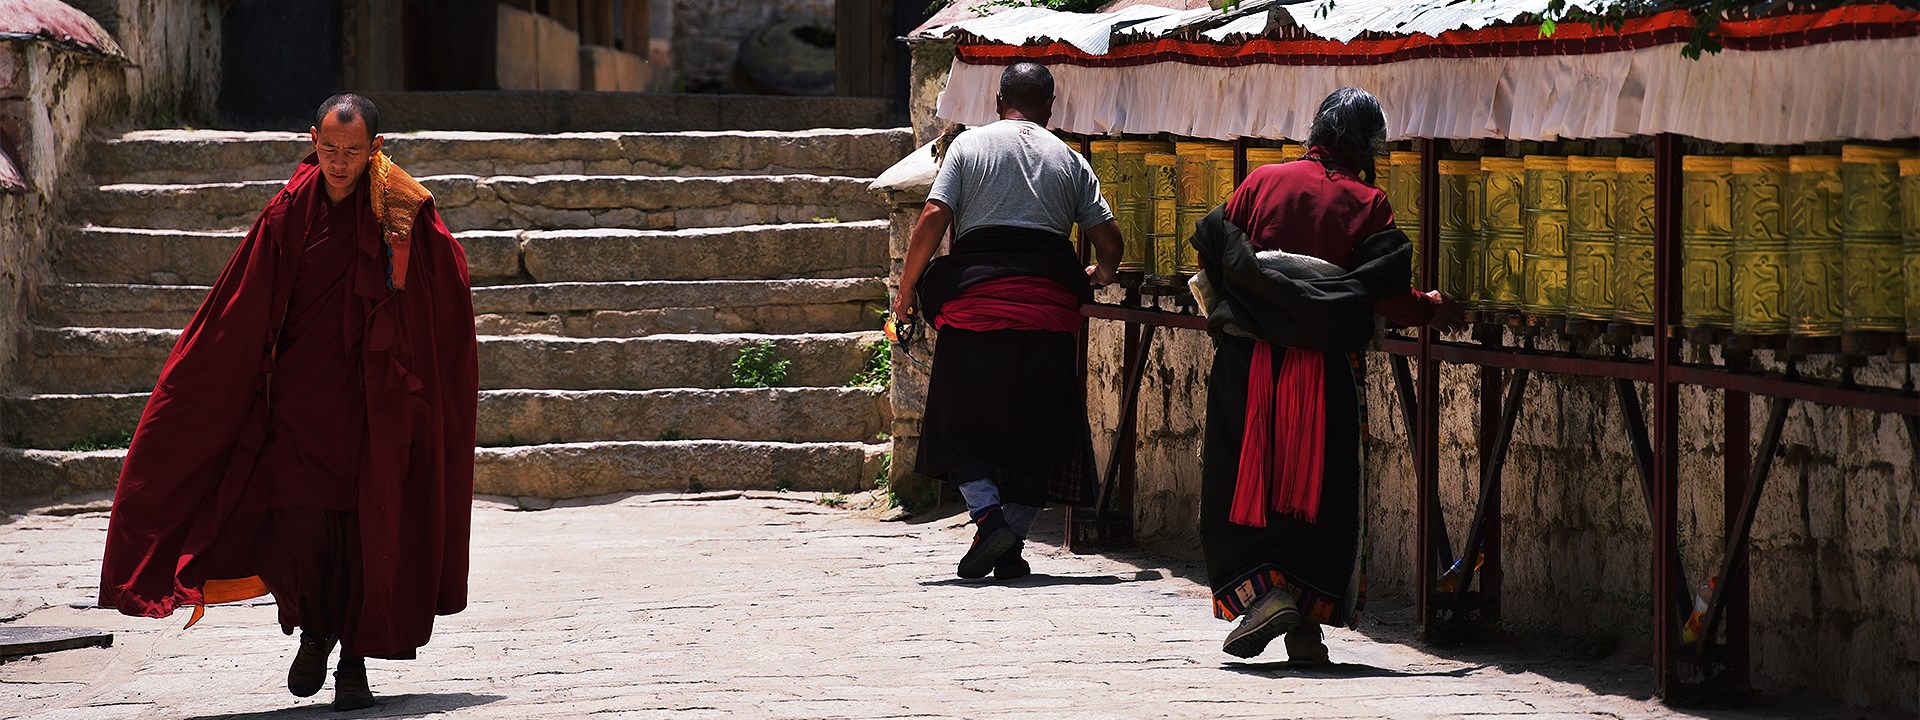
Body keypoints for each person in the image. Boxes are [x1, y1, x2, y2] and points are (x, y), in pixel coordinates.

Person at [98, 93, 479, 711]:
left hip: (373, 408)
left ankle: (352, 663)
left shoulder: (405, 210)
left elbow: (446, 299)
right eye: (327, 148)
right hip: (302, 403)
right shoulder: (290, 210)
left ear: (375, 149)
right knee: (297, 526)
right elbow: (242, 302)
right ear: (312, 139)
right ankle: (314, 629)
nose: (337, 161)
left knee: (367, 525)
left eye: (351, 151)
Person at [1189, 87, 1465, 662]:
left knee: (1244, 478)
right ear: (1364, 146)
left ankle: (1273, 602)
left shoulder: (1263, 183)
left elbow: (1212, 250)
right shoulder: (1370, 204)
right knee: (1321, 490)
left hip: (1249, 362)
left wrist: (1253, 302)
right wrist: (1433, 308)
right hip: (1328, 370)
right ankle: (1303, 617)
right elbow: (1389, 295)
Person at [894, 62, 1124, 580]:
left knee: (960, 424)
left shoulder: (968, 147)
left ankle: (991, 519)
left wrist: (906, 293)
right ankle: (1011, 544)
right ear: (1050, 108)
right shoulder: (1069, 158)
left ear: (998, 103)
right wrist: (1099, 273)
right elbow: (1109, 241)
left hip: (975, 306)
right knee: (1036, 434)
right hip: (1048, 310)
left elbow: (934, 217)